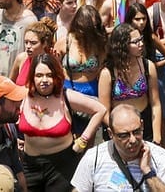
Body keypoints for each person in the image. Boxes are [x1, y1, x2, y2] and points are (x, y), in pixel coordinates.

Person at [19, 53, 107, 191]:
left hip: (62, 167)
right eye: (39, 75)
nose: (44, 80)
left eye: (49, 75)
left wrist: (83, 140)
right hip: (30, 165)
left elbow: (100, 110)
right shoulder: (23, 96)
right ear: (32, 77)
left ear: (56, 76)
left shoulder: (65, 96)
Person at [71, 103, 165, 192]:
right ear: (110, 133)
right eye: (124, 135)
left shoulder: (160, 156)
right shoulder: (94, 158)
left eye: (136, 132)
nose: (132, 140)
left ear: (142, 125)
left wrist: (148, 172)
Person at [99, 22, 162, 142]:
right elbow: (104, 111)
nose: (141, 44)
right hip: (119, 129)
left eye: (141, 39)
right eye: (135, 42)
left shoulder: (148, 66)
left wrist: (157, 136)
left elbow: (155, 104)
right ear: (122, 46)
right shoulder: (107, 73)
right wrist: (119, 131)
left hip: (144, 124)